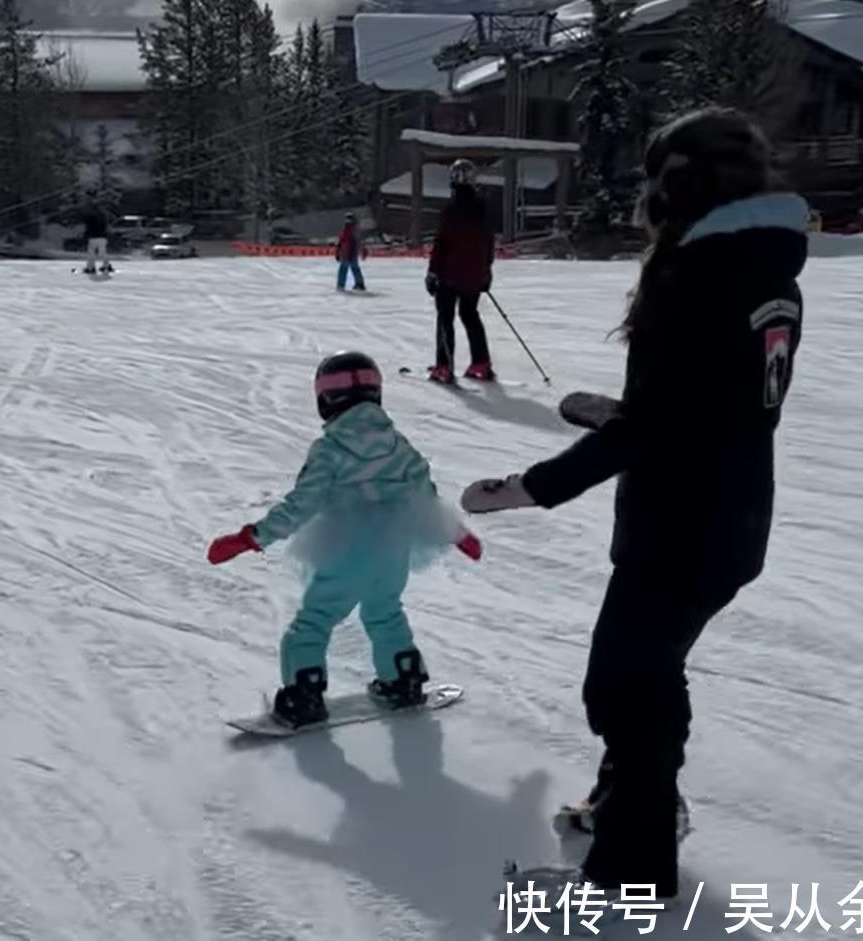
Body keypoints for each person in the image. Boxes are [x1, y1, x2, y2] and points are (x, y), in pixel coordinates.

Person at [461, 108, 808, 899]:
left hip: (679, 522)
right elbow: (712, 402)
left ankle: (632, 865)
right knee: (647, 673)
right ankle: (635, 800)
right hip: (734, 515)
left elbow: (658, 427)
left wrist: (527, 487)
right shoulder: (766, 268)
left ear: (674, 187)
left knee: (623, 684)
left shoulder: (696, 275)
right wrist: (609, 410)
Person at [207, 351, 482, 728]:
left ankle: (305, 695)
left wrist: (251, 537)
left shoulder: (330, 450)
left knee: (315, 620)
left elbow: (301, 504)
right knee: (384, 611)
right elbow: (425, 494)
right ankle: (403, 678)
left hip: (347, 549)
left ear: (324, 399)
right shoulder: (398, 445)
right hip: (393, 548)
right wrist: (456, 533)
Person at [426, 158, 495, 383]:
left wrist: (433, 272)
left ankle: (444, 366)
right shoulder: (482, 210)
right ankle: (481, 363)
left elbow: (442, 244)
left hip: (449, 274)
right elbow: (488, 243)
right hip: (475, 275)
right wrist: (486, 271)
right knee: (470, 315)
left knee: (445, 318)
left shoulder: (451, 210)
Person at [335, 213, 366, 291]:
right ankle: (359, 283)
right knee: (353, 268)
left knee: (345, 269)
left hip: (348, 253)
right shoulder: (351, 230)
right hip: (349, 253)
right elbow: (341, 242)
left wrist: (338, 251)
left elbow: (341, 242)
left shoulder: (349, 230)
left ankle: (342, 285)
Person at [82, 203, 112, 274]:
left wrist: (86, 235)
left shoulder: (90, 217)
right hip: (103, 237)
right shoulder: (103, 217)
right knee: (102, 252)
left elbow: (88, 227)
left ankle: (91, 267)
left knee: (91, 252)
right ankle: (106, 265)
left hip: (93, 237)